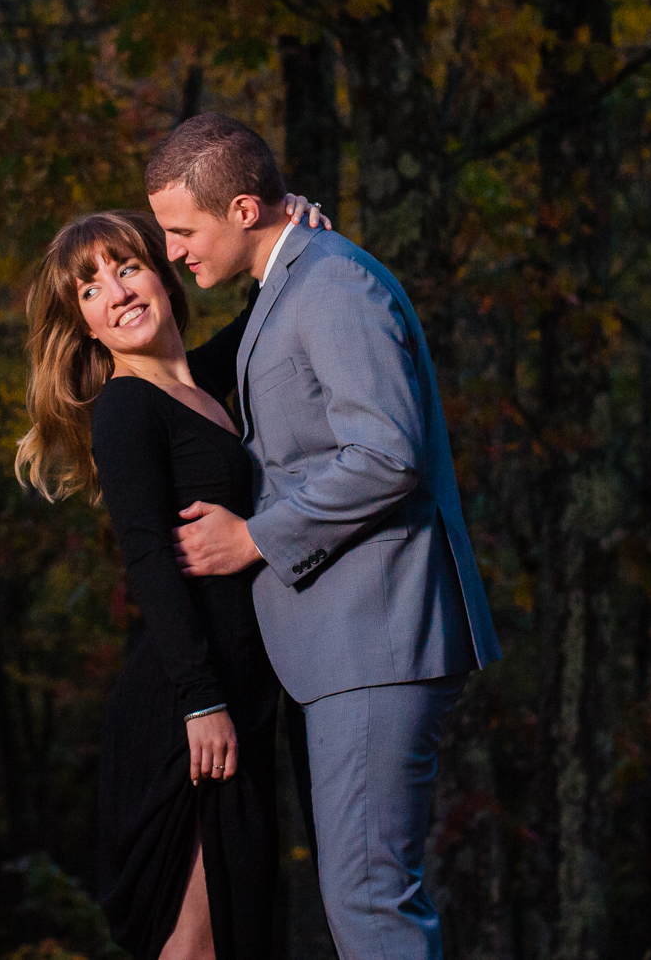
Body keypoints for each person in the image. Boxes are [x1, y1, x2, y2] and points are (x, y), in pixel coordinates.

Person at [150, 113, 502, 960]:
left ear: (241, 208)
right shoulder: (291, 283)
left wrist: (258, 538)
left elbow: (388, 452)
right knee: (361, 901)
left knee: (372, 903)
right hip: (342, 650)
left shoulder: (334, 285)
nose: (171, 254)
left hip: (375, 642)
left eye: (180, 231)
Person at [15, 198, 327, 960]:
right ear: (84, 322)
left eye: (127, 267)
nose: (117, 292)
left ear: (161, 274)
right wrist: (202, 701)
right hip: (190, 711)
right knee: (191, 947)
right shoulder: (125, 407)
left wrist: (288, 240)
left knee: (234, 933)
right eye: (91, 288)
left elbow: (250, 325)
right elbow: (149, 558)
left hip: (240, 704)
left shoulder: (199, 386)